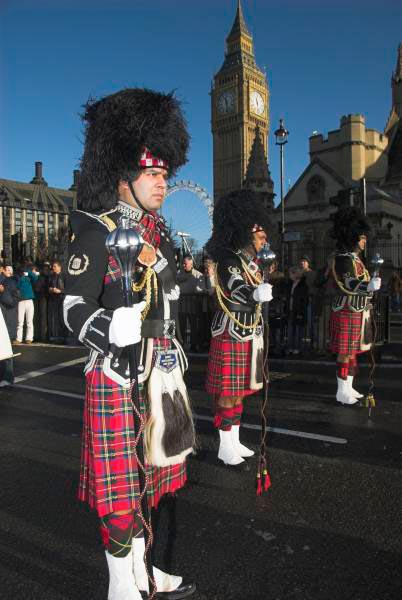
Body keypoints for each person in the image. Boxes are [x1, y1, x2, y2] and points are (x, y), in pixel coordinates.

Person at [63, 88, 196, 600]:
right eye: (153, 175)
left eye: (165, 174)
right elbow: (74, 305)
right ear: (124, 176)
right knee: (119, 486)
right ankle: (122, 585)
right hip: (115, 374)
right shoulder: (95, 232)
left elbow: (166, 296)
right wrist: (107, 327)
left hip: (158, 370)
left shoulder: (157, 236)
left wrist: (173, 338)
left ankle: (142, 570)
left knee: (153, 480)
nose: (164, 184)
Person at [205, 190, 273, 467]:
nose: (263, 239)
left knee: (241, 389)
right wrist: (255, 294)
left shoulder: (250, 262)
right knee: (228, 391)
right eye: (259, 236)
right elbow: (235, 286)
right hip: (231, 330)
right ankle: (224, 445)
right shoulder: (229, 260)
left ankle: (234, 440)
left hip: (247, 330)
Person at [329, 206, 381, 405]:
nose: (364, 241)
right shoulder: (342, 259)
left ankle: (348, 387)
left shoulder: (356, 259)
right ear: (352, 238)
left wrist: (370, 286)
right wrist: (367, 285)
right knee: (345, 351)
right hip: (346, 310)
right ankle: (341, 391)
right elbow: (348, 282)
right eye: (362, 238)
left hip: (358, 311)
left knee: (353, 351)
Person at [177, 255, 203, 351]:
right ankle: (181, 344)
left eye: (185, 263)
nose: (183, 265)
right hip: (181, 304)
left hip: (193, 304)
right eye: (183, 263)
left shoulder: (198, 275)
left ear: (191, 264)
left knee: (194, 326)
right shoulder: (178, 274)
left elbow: (201, 289)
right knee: (181, 325)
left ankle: (194, 344)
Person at [0, 265, 20, 387]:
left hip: (5, 319)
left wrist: (2, 293)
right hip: (4, 317)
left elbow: (11, 301)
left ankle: (7, 377)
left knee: (5, 348)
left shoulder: (8, 282)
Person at [284, 266, 309, 355]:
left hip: (298, 310)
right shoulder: (290, 284)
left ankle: (297, 347)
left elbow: (304, 300)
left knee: (298, 330)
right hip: (291, 309)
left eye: (292, 273)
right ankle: (290, 347)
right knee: (290, 330)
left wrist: (300, 312)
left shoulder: (303, 285)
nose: (290, 275)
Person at [15, 262, 39, 344]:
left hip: (29, 300)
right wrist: (21, 276)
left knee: (29, 321)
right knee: (20, 321)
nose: (23, 271)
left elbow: (35, 278)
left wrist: (28, 272)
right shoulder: (18, 277)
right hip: (21, 301)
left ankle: (29, 338)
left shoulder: (28, 276)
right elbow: (17, 286)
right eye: (22, 269)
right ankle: (19, 339)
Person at [48, 260, 67, 343]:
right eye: (53, 266)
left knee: (62, 317)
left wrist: (60, 291)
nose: (53, 268)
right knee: (55, 318)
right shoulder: (51, 276)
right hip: (54, 299)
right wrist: (51, 289)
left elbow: (69, 288)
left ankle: (63, 336)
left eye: (55, 266)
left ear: (60, 267)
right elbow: (48, 287)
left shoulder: (64, 276)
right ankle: (56, 336)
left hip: (62, 298)